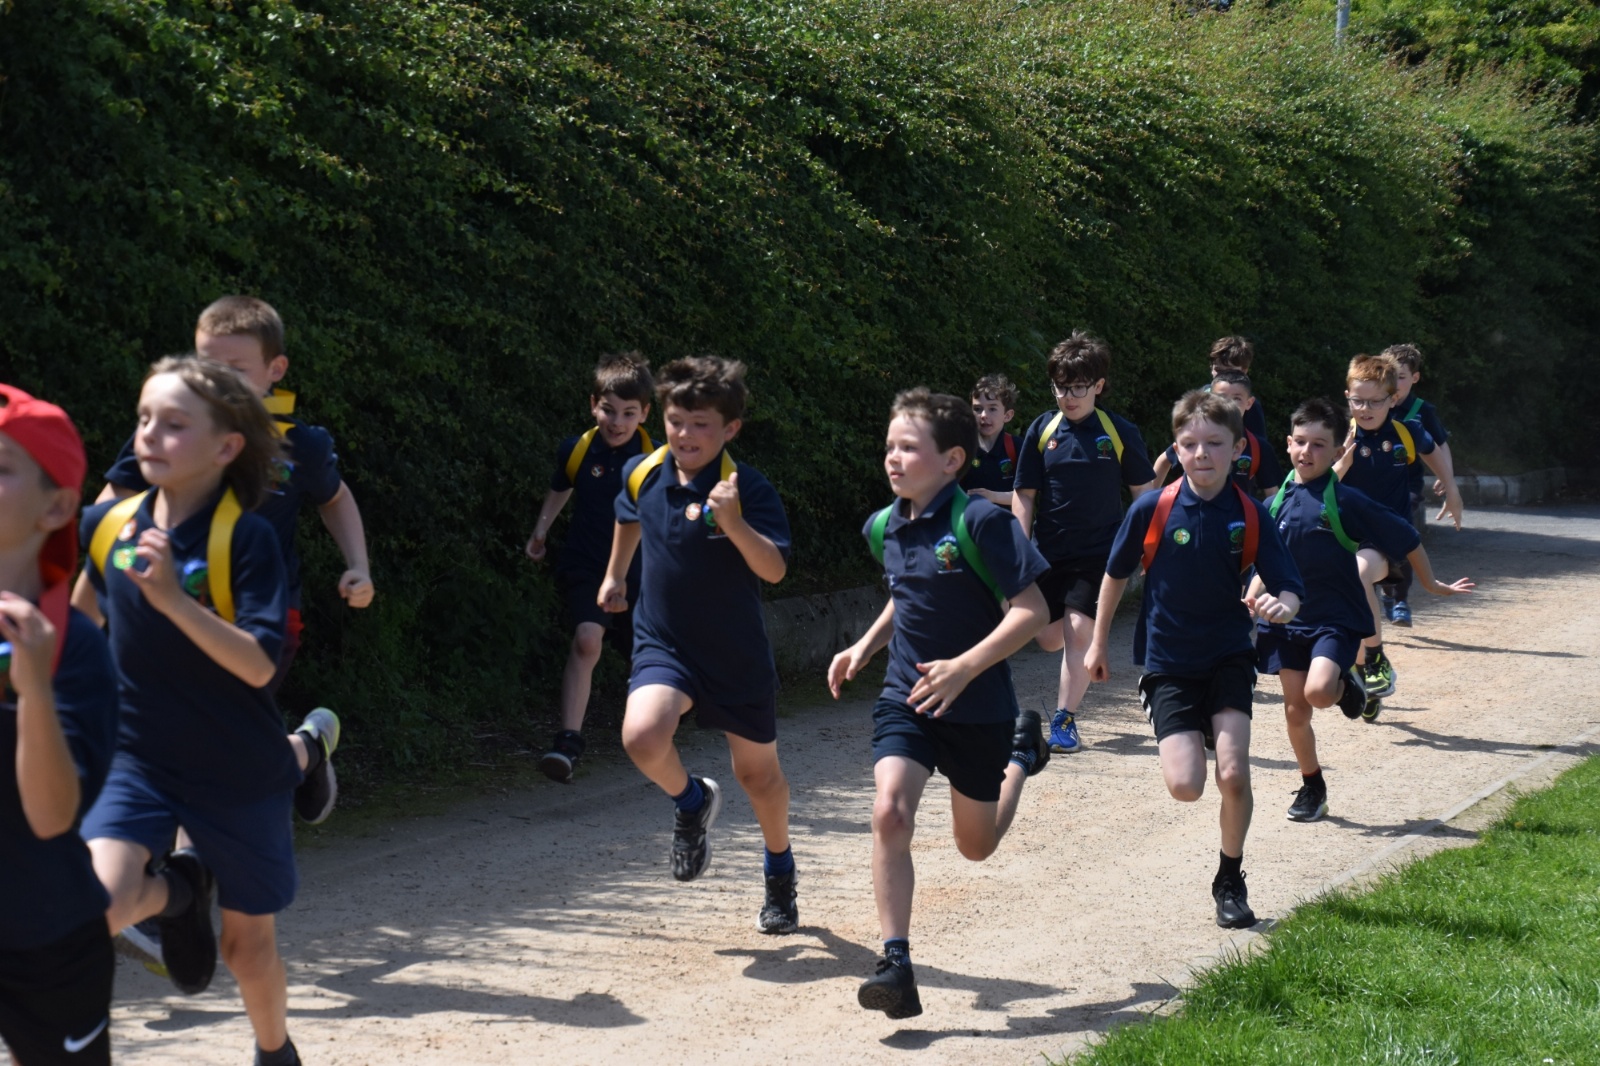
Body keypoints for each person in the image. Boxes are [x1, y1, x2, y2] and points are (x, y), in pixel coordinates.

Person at [79, 357, 317, 1066]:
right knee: (100, 902)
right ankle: (179, 895)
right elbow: (76, 630)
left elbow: (259, 663)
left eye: (175, 424)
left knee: (247, 950)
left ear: (226, 447)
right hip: (138, 762)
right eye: (145, 418)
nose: (150, 434)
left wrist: (174, 603)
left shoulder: (245, 539)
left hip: (236, 772)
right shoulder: (109, 527)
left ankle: (275, 1052)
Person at [75, 296, 357, 824]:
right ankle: (306, 749)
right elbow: (112, 508)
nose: (218, 380)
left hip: (265, 616)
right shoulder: (165, 430)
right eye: (207, 364)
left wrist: (358, 565)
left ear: (275, 370)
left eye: (235, 368)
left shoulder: (299, 446)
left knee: (207, 741)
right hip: (168, 603)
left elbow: (335, 498)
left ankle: (191, 856)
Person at [828, 388, 1051, 1020]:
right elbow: (907, 591)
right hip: (908, 696)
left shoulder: (982, 523)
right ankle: (895, 964)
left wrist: (965, 667)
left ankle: (1021, 757)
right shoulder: (884, 526)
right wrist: (865, 646)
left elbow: (1034, 611)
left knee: (976, 847)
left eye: (909, 447)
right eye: (889, 446)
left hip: (979, 707)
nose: (893, 458)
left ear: (952, 459)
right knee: (889, 812)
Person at [1085, 390, 1304, 929]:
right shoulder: (1152, 508)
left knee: (1233, 773)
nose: (1202, 453)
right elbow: (1115, 575)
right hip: (1169, 661)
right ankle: (1192, 724)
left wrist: (1283, 606)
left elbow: (1289, 585)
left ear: (1237, 449)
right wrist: (1097, 642)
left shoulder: (1250, 514)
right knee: (1186, 786)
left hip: (1229, 655)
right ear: (1176, 449)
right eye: (1190, 444)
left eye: (1214, 443)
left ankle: (1230, 878)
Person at [599, 357, 799, 933]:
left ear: (730, 428)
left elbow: (775, 569)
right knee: (641, 736)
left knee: (758, 778)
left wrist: (733, 522)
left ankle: (779, 873)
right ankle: (691, 803)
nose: (685, 434)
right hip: (664, 643)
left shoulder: (746, 487)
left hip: (735, 655)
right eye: (675, 421)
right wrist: (615, 575)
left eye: (701, 424)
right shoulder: (642, 472)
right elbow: (628, 517)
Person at [1258, 399, 1474, 823]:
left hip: (1334, 619)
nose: (1307, 452)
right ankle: (1312, 786)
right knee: (1295, 709)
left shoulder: (1347, 500)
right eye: (1300, 442)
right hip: (1285, 623)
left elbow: (1407, 537)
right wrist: (1249, 595)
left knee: (1319, 693)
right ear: (1287, 443)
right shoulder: (1274, 503)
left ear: (1339, 450)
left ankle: (1348, 689)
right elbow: (1265, 562)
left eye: (1319, 444)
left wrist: (1431, 584)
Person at [0, 386, 118, 1066]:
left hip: (47, 938)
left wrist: (35, 690)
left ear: (56, 507)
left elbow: (50, 817)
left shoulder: (75, 647)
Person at [1013, 331, 1156, 754]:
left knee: (1077, 630)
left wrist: (1145, 547)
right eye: (1060, 388)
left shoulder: (1118, 431)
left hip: (1100, 554)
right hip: (1048, 552)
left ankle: (1064, 720)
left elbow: (1144, 494)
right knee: (1047, 637)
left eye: (1078, 388)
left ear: (1098, 386)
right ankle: (1070, 645)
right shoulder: (1042, 430)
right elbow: (1024, 494)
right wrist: (1019, 549)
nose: (1068, 397)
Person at [525, 353, 655, 783]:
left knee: (648, 658)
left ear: (645, 414)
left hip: (640, 574)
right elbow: (560, 486)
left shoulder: (656, 460)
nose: (617, 422)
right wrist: (541, 530)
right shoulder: (578, 450)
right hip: (586, 564)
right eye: (609, 410)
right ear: (593, 405)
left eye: (629, 413)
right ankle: (567, 743)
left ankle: (655, 731)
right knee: (586, 642)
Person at [1334, 353, 1465, 701]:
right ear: (1347, 396)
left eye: (1375, 401)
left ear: (1393, 399)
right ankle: (1364, 676)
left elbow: (1434, 452)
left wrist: (1452, 490)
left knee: (1359, 575)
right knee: (1347, 614)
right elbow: (1314, 484)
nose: (1365, 409)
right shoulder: (1338, 435)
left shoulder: (1407, 432)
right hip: (1340, 535)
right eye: (1358, 400)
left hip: (1385, 538)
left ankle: (1376, 660)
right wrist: (1338, 463)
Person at [1381, 342, 1456, 627]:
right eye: (1389, 376)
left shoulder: (1421, 410)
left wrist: (1447, 480)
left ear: (1414, 378)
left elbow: (1440, 444)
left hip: (1406, 486)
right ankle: (1381, 590)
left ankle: (1399, 599)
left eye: (1400, 377)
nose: (1394, 383)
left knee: (1401, 538)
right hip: (1371, 484)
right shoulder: (1374, 403)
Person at [1153, 370, 1281, 497]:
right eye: (1222, 397)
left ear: (1249, 403)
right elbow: (1164, 460)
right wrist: (1149, 496)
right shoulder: (1195, 438)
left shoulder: (1258, 446)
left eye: (1237, 398)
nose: (1229, 404)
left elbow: (1272, 494)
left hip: (1237, 510)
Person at [963, 373, 1019, 508]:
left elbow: (1026, 496)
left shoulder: (1016, 447)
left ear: (1007, 415)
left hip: (1004, 521)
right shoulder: (962, 447)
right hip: (965, 520)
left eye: (992, 409)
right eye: (977, 409)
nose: (983, 415)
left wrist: (992, 496)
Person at [1206, 335, 1269, 440]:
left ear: (1244, 371)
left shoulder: (1250, 406)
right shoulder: (1199, 397)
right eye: (1218, 370)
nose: (1224, 376)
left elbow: (1258, 445)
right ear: (1211, 368)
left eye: (1231, 371)